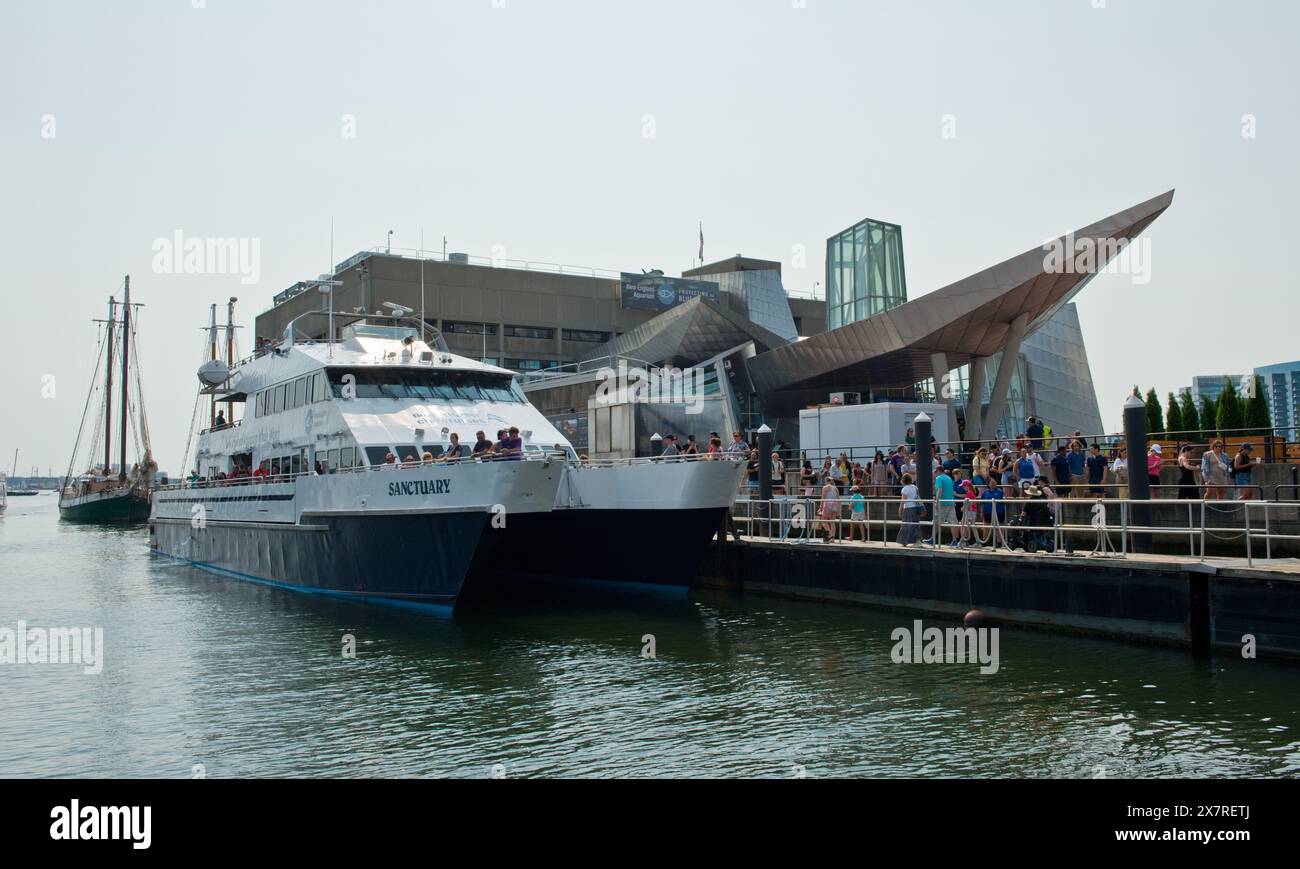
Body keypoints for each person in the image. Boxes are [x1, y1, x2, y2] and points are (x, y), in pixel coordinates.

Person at [931, 465, 958, 547]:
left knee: (936, 521)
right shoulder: (949, 478)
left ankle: (933, 539)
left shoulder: (939, 478)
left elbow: (940, 490)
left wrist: (937, 501)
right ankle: (954, 540)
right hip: (951, 502)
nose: (935, 474)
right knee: (952, 522)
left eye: (935, 472)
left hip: (942, 503)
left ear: (938, 471)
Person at [897, 474, 923, 546]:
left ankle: (905, 542)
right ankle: (917, 541)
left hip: (908, 508)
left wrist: (900, 510)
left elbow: (903, 500)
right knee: (915, 524)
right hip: (916, 507)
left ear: (903, 480)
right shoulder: (915, 487)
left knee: (906, 525)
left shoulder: (905, 489)